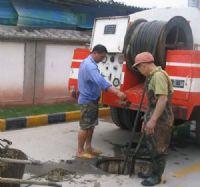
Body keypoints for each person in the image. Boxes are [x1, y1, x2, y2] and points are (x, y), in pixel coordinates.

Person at [77, 44, 126, 159]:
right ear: (95, 53)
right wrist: (117, 93)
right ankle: (80, 151)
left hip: (92, 100)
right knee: (85, 126)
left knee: (91, 125)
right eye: (102, 57)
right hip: (88, 100)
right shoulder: (90, 66)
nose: (103, 59)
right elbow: (101, 83)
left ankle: (88, 147)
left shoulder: (89, 63)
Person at [132, 52, 174, 186]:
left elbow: (162, 99)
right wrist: (147, 117)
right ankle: (153, 172)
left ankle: (156, 176)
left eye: (138, 68)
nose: (139, 71)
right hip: (155, 114)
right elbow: (152, 102)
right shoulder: (152, 76)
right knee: (151, 146)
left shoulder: (159, 76)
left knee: (159, 148)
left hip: (162, 118)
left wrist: (153, 120)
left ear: (143, 65)